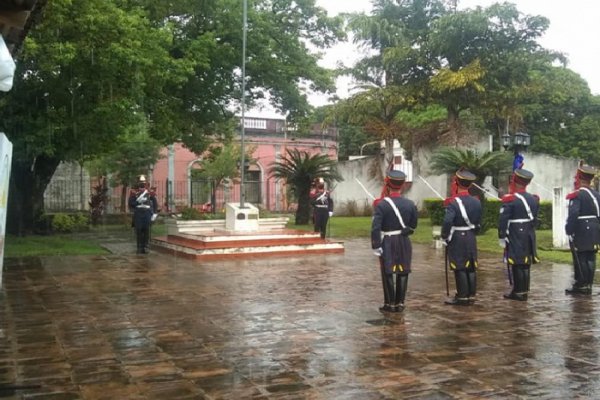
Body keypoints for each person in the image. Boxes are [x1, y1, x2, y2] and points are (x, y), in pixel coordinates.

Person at [371, 170, 418, 313]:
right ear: (402, 185)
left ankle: (390, 303)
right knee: (403, 272)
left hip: (388, 241)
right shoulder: (410, 204)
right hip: (404, 240)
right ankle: (400, 303)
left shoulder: (381, 205)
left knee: (388, 272)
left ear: (388, 184)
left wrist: (376, 245)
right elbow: (413, 224)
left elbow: (376, 227)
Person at [498, 168, 540, 301]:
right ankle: (524, 290)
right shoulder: (533, 199)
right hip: (528, 232)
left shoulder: (510, 199)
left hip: (516, 232)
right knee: (525, 263)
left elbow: (503, 219)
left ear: (515, 181)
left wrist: (502, 235)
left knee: (517, 262)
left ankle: (518, 291)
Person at [441, 169, 481, 305]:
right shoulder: (476, 201)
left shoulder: (453, 202)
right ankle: (471, 295)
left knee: (459, 266)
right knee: (471, 266)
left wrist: (444, 236)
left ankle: (462, 296)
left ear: (457, 182)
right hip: (470, 235)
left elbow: (448, 221)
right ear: (469, 185)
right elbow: (478, 221)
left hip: (457, 236)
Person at [565, 165, 600, 295]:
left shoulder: (578, 195)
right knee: (591, 256)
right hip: (595, 227)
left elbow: (574, 214)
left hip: (582, 228)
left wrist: (569, 229)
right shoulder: (596, 194)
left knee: (581, 257)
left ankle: (582, 284)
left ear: (579, 178)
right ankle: (588, 284)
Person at [128, 175, 158, 254]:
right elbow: (130, 204)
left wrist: (154, 213)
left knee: (146, 230)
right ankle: (139, 247)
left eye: (143, 184)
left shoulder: (150, 193)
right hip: (138, 214)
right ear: (138, 184)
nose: (142, 186)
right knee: (138, 230)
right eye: (141, 184)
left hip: (147, 213)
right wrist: (137, 202)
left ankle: (146, 246)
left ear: (146, 184)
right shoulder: (134, 193)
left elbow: (155, 203)